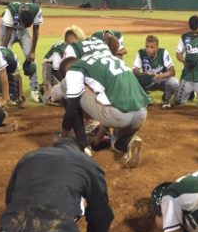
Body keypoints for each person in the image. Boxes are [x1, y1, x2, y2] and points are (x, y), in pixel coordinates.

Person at [60, 37, 150, 168]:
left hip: (119, 116)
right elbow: (108, 104)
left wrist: (63, 137)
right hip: (141, 114)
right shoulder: (102, 62)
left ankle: (82, 145)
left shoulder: (74, 70)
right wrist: (97, 140)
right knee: (116, 142)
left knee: (65, 86)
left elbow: (71, 112)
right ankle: (129, 142)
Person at [0, 2, 43, 102]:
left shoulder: (36, 10)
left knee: (31, 60)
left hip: (23, 33)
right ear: (20, 18)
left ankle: (34, 90)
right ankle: (2, 90)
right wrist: (3, 51)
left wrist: (33, 51)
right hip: (8, 31)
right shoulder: (10, 11)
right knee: (3, 60)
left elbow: (36, 30)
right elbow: (8, 32)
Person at [132, 35, 179, 109]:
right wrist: (143, 75)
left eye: (151, 47)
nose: (148, 49)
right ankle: (146, 96)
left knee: (174, 82)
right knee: (133, 79)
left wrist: (157, 76)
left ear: (157, 48)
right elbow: (134, 71)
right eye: (147, 46)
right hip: (148, 81)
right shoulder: (141, 53)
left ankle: (165, 99)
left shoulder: (163, 52)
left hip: (161, 80)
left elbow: (172, 72)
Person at [41, 26, 85, 104]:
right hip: (50, 68)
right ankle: (44, 88)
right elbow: (55, 69)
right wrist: (66, 82)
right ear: (72, 40)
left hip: (62, 69)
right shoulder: (60, 49)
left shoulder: (73, 47)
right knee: (50, 98)